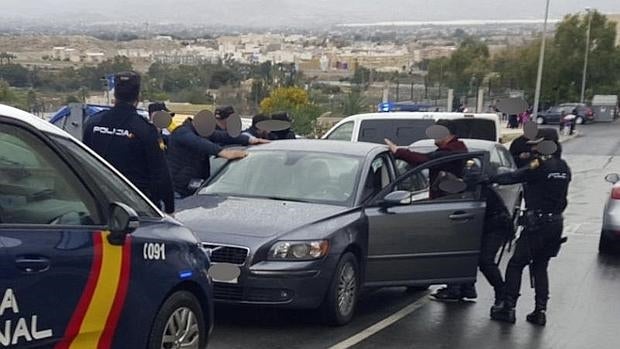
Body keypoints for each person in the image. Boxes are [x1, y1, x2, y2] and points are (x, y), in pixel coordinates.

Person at [489, 128, 570, 326]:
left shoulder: (539, 164)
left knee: (516, 264)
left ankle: (508, 308)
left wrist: (489, 179)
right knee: (541, 266)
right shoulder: (562, 166)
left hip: (537, 223)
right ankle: (540, 311)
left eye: (536, 143)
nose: (532, 147)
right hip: (556, 223)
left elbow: (514, 176)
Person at [83, 71, 175, 214]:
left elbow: (84, 162)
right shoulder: (145, 129)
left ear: (115, 95)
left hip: (99, 203)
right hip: (137, 207)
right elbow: (161, 173)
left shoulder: (93, 123)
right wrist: (170, 209)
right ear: (138, 97)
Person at [385, 119, 468, 199]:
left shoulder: (452, 152)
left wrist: (397, 151)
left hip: (446, 202)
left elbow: (424, 159)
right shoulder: (455, 149)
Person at [166, 118, 248, 198]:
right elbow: (197, 142)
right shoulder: (182, 132)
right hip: (178, 189)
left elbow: (224, 136)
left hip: (197, 188)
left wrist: (250, 139)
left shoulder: (202, 131)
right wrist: (223, 152)